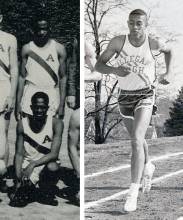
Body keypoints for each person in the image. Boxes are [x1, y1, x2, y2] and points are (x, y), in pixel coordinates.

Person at [95, 9, 173, 212]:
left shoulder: (152, 42)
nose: (135, 27)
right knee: (137, 139)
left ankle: (132, 193)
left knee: (137, 139)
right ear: (127, 23)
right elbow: (98, 65)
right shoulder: (117, 42)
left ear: (145, 25)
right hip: (124, 97)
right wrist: (114, 70)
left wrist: (168, 72)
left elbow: (169, 51)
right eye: (132, 23)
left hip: (146, 94)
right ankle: (148, 165)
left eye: (139, 23)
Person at [11, 92, 64, 207]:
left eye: (42, 107)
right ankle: (28, 188)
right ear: (31, 107)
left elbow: (54, 154)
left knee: (53, 167)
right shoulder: (22, 124)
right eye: (36, 107)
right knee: (17, 200)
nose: (39, 110)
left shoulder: (56, 123)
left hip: (44, 162)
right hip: (28, 162)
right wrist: (18, 176)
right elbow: (19, 154)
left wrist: (33, 165)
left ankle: (46, 192)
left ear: (47, 108)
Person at [16, 17, 67, 120]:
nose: (41, 32)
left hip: (51, 92)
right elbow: (21, 77)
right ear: (33, 30)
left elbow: (63, 78)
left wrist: (62, 105)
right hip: (30, 91)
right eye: (38, 29)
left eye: (44, 29)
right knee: (27, 131)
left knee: (50, 132)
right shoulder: (27, 48)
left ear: (50, 29)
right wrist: (18, 103)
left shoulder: (59, 49)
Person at [0, 9, 18, 191]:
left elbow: (14, 70)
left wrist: (11, 95)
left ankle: (2, 178)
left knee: (2, 136)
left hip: (3, 87)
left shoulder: (9, 38)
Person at [67, 37, 80, 203]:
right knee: (73, 140)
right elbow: (73, 66)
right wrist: (71, 91)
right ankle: (78, 178)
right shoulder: (77, 40)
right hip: (78, 93)